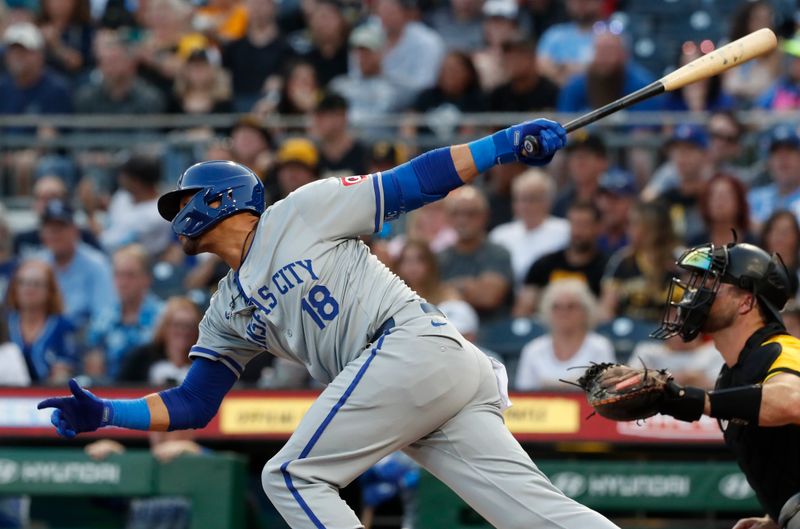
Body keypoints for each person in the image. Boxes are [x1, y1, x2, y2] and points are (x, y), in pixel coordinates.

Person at [38, 118, 624, 529]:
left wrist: (502, 145)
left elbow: (414, 182)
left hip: (410, 345)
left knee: (290, 477)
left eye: (184, 199)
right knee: (534, 516)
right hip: (413, 379)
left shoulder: (300, 209)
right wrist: (110, 413)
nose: (178, 213)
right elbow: (194, 403)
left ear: (221, 198)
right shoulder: (224, 306)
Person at [647, 241, 800, 529]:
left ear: (746, 302)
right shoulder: (729, 375)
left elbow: (793, 400)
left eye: (712, 283)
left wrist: (701, 401)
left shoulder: (783, 349)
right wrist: (776, 516)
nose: (696, 293)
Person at [515, 279, 615, 391]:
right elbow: (523, 395)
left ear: (585, 311)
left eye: (571, 306)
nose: (563, 312)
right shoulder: (533, 349)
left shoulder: (600, 347)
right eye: (556, 307)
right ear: (547, 311)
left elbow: (606, 390)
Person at [84, 245, 163, 382]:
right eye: (118, 275)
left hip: (152, 392)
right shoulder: (103, 318)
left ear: (147, 279)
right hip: (111, 394)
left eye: (130, 275)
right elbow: (93, 368)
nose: (123, 283)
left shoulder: (163, 317)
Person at [515, 201, 607, 317]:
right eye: (574, 223)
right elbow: (523, 309)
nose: (577, 231)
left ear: (598, 227)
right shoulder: (544, 264)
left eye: (584, 225)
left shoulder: (607, 267)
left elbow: (606, 311)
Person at [39, 199, 117, 331]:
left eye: (60, 228)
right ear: (42, 234)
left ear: (75, 231)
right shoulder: (36, 264)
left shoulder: (96, 264)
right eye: (50, 229)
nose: (55, 235)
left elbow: (105, 314)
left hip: (82, 339)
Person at [439, 186, 515, 322]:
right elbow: (429, 297)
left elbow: (488, 297)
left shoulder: (498, 253)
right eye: (456, 213)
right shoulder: (439, 257)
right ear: (449, 218)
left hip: (490, 331)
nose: (463, 220)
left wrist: (450, 288)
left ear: (485, 216)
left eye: (471, 214)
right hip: (448, 329)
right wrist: (471, 287)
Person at [600, 201, 681, 323]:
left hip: (666, 334)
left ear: (652, 228)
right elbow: (607, 308)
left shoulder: (678, 261)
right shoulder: (623, 260)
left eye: (634, 224)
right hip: (626, 333)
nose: (628, 229)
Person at [488, 169, 570, 286]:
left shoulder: (564, 230)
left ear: (548, 201)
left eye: (533, 199)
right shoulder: (499, 235)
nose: (526, 205)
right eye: (521, 199)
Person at [6, 260, 77, 385]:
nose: (28, 289)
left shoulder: (63, 326)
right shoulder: (4, 324)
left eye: (36, 284)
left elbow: (67, 368)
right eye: (22, 283)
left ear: (50, 291)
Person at [535, 0, 604, 86]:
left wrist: (562, 67)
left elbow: (608, 69)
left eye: (586, 1)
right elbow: (542, 68)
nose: (580, 5)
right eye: (575, 2)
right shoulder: (554, 34)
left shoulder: (608, 35)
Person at [487, 35, 559, 113]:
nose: (512, 61)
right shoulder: (498, 96)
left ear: (532, 58)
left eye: (518, 55)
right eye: (508, 56)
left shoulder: (553, 93)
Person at [748, 125, 800, 227]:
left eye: (789, 152)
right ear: (768, 162)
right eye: (777, 153)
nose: (783, 158)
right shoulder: (754, 199)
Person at [310, 93, 369, 179]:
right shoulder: (313, 154)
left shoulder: (362, 154)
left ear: (343, 117)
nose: (317, 121)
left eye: (326, 116)